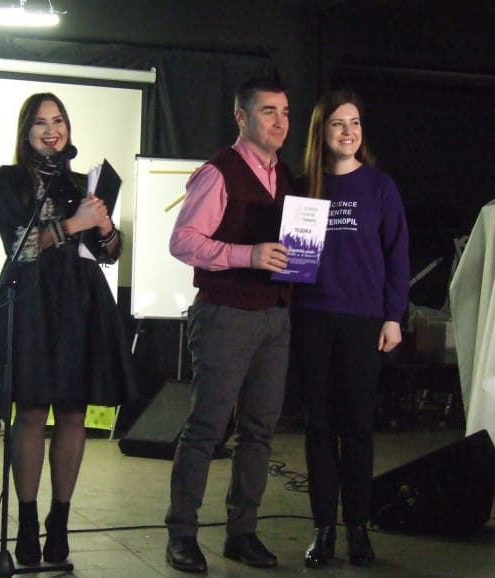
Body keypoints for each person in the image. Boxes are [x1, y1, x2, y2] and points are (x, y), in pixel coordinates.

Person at [0, 92, 136, 567]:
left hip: (79, 304)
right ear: (26, 133)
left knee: (73, 414)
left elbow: (109, 253)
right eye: (40, 123)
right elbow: (19, 248)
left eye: (58, 120)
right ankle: (26, 521)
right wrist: (74, 223)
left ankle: (59, 522)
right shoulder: (8, 180)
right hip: (31, 301)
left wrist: (104, 226)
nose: (51, 130)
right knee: (29, 411)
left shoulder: (81, 182)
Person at [164, 77, 293, 574]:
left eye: (285, 112)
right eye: (268, 111)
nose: (280, 121)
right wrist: (248, 255)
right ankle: (181, 535)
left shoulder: (287, 177)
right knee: (206, 429)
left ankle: (242, 533)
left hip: (275, 316)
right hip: (224, 315)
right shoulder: (219, 172)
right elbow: (183, 241)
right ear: (241, 117)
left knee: (259, 431)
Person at [291, 89, 410, 568]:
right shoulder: (304, 188)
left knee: (358, 425)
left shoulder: (380, 187)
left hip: (363, 320)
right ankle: (323, 529)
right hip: (312, 318)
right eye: (338, 123)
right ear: (321, 131)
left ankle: (358, 527)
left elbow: (398, 256)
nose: (348, 131)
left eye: (355, 122)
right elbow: (292, 260)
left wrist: (394, 316)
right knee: (318, 426)